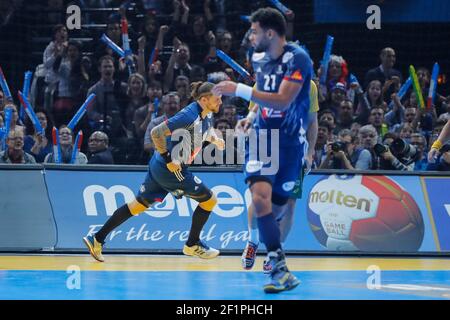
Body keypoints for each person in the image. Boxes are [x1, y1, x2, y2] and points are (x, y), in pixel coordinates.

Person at [212, 7, 312, 293]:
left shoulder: (299, 58)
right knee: (260, 198)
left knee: (278, 206)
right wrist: (252, 116)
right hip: (263, 137)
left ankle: (276, 260)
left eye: (254, 31)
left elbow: (281, 101)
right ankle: (278, 268)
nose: (250, 36)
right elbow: (264, 96)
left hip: (291, 142)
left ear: (270, 33)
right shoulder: (257, 57)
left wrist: (238, 89)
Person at [83, 81, 225, 262]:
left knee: (137, 205)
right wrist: (169, 159)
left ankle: (96, 239)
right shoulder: (188, 116)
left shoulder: (206, 113)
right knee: (209, 200)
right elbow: (156, 133)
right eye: (217, 99)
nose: (220, 102)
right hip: (171, 169)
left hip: (157, 166)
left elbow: (203, 131)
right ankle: (192, 244)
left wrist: (214, 139)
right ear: (204, 100)